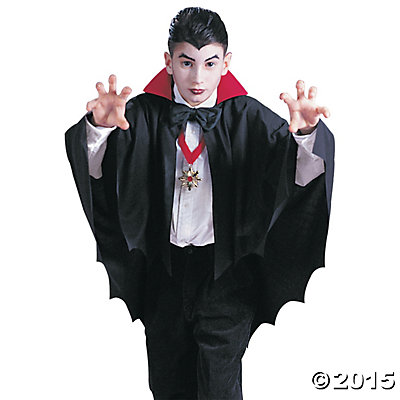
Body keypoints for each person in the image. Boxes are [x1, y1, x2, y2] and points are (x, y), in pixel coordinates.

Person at [65, 6, 334, 400]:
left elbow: (299, 179)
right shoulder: (139, 114)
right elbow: (99, 177)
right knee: (167, 384)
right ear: (168, 61)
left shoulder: (250, 117)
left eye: (210, 63)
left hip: (227, 275)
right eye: (186, 62)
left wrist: (307, 135)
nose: (198, 78)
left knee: (219, 387)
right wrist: (100, 130)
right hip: (164, 273)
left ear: (226, 63)